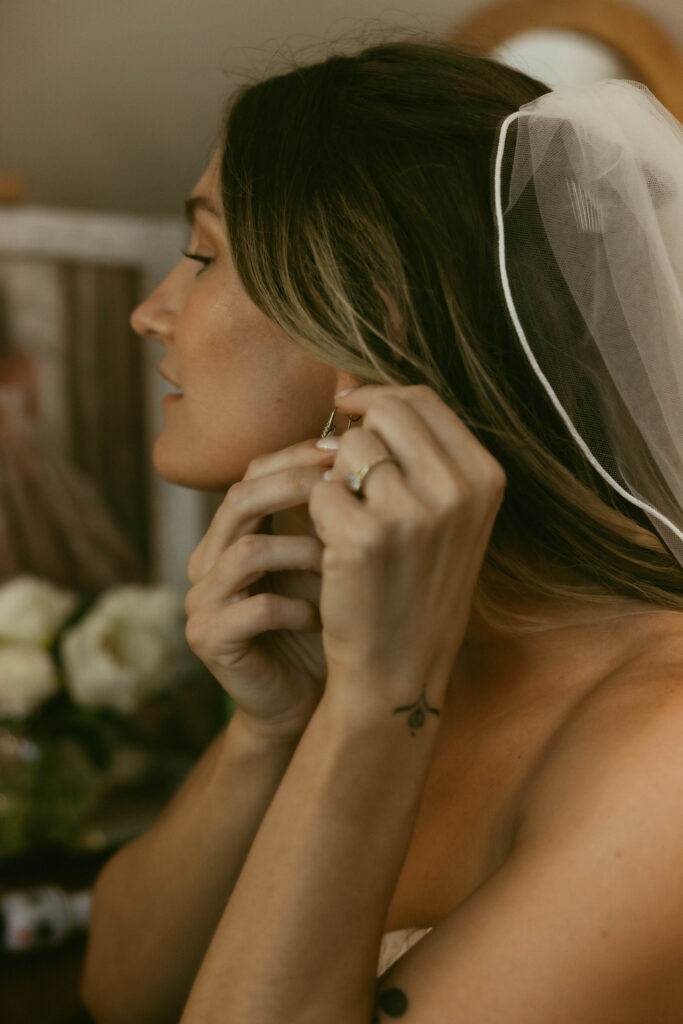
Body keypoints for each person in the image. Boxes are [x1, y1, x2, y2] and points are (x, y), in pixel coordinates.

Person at [81, 38, 683, 1024]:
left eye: (203, 255)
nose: (153, 313)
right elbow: (117, 990)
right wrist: (268, 728)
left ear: (374, 316)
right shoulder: (356, 637)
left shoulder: (658, 746)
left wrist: (376, 705)